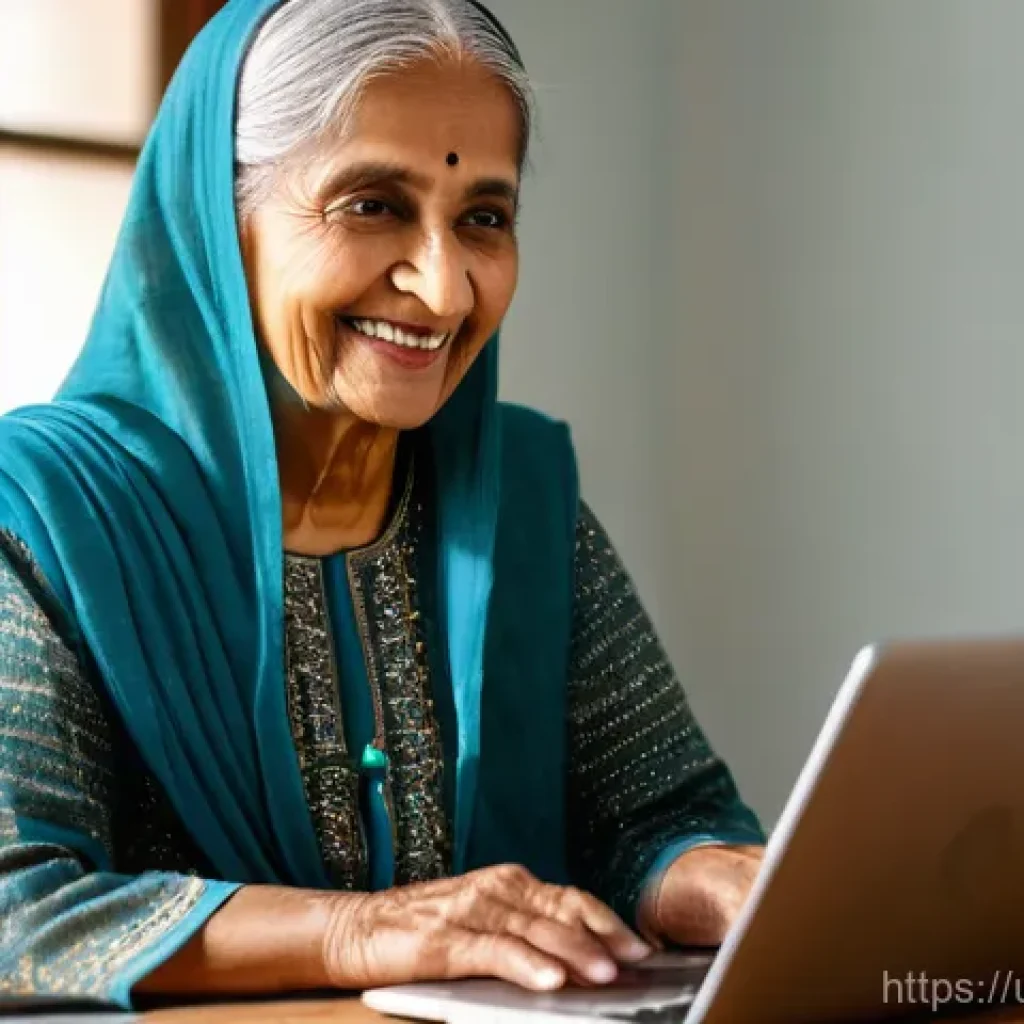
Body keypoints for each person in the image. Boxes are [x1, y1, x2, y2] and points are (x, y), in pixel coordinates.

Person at [0, 0, 765, 1008]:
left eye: (483, 219)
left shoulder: (523, 501)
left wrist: (718, 876)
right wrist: (365, 932)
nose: (444, 290)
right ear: (214, 219)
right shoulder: (45, 516)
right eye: (373, 205)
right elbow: (17, 913)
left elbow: (651, 816)